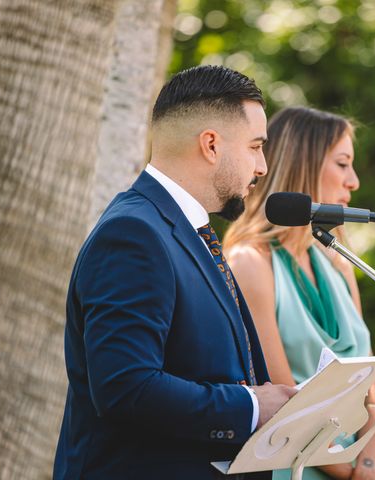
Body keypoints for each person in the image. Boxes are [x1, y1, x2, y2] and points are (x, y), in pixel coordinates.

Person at [53, 65, 297, 479]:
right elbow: (126, 388)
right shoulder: (133, 234)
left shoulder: (184, 229)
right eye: (256, 147)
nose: (261, 166)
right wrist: (253, 407)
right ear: (211, 145)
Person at [224, 106, 375, 480]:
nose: (354, 181)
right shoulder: (250, 264)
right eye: (343, 164)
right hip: (290, 468)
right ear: (303, 165)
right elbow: (283, 404)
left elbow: (371, 383)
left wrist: (369, 464)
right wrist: (347, 471)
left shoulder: (339, 264)